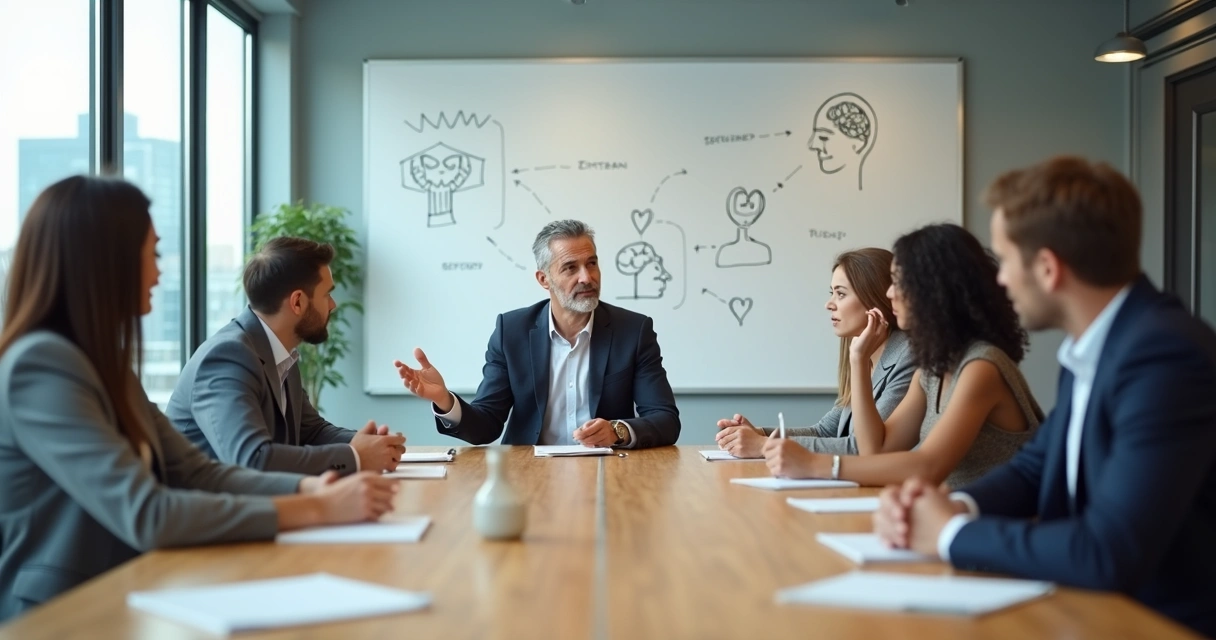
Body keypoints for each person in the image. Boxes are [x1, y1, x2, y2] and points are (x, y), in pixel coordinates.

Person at [0, 176, 396, 621]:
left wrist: (307, 486)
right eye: (151, 253)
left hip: (130, 591)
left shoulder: (102, 362)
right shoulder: (41, 366)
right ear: (105, 263)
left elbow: (194, 472)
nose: (159, 271)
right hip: (62, 613)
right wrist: (315, 507)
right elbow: (148, 512)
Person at [873, 157, 1216, 638]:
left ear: (1049, 268)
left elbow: (1109, 551)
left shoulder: (1164, 356)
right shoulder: (1095, 345)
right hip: (1084, 611)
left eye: (1006, 260)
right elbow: (1036, 467)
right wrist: (951, 506)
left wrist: (951, 534)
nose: (1000, 280)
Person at [763, 224, 1043, 488]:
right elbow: (877, 450)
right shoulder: (931, 371)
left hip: (995, 525)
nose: (888, 293)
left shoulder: (981, 367)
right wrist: (859, 363)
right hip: (951, 517)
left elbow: (929, 465)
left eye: (898, 282)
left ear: (934, 290)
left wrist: (815, 464)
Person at [395, 219, 680, 448]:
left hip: (607, 471)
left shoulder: (633, 330)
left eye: (591, 263)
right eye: (570, 267)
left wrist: (617, 431)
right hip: (529, 472)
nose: (587, 277)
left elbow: (665, 420)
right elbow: (486, 426)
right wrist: (444, 399)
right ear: (544, 280)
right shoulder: (512, 331)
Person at [168, 237, 405, 475]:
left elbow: (311, 432)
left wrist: (368, 443)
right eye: (327, 294)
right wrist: (355, 456)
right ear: (298, 302)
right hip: (210, 509)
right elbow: (252, 460)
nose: (333, 305)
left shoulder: (279, 353)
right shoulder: (227, 357)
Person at [715, 248, 915, 458]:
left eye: (841, 294)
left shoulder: (907, 357)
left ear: (875, 299)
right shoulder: (864, 354)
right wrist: (760, 435)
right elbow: (825, 431)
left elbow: (862, 449)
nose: (829, 304)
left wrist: (764, 446)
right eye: (832, 293)